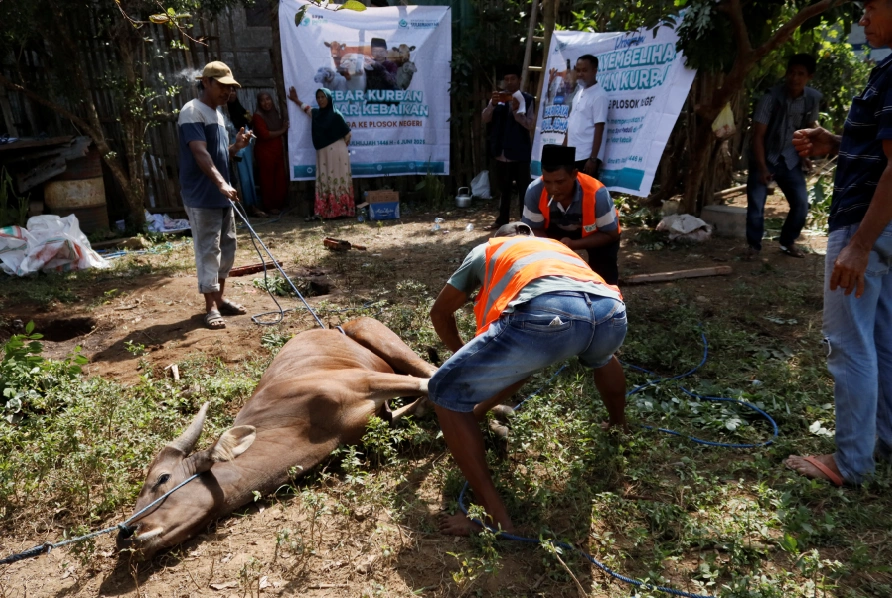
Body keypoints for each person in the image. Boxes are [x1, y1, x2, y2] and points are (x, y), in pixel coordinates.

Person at [428, 221, 628, 535]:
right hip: (611, 313)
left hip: (549, 314)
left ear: (497, 239)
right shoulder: (556, 247)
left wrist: (462, 359)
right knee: (602, 358)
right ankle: (618, 425)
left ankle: (496, 519)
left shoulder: (488, 249)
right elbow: (519, 367)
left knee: (444, 390)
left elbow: (440, 313)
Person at [784, 0, 892, 487]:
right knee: (883, 341)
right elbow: (878, 149)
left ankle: (850, 464)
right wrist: (838, 142)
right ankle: (885, 441)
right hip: (884, 227)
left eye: (872, 8)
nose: (863, 19)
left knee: (848, 343)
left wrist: (859, 244)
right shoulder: (885, 70)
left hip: (867, 225)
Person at [178, 61, 251, 330]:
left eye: (230, 88)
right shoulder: (191, 112)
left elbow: (220, 155)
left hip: (221, 194)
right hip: (201, 195)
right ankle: (210, 308)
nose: (227, 92)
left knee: (227, 249)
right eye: (222, 86)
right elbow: (200, 153)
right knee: (208, 250)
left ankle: (219, 299)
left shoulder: (218, 115)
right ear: (206, 82)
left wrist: (236, 147)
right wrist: (221, 183)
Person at [747, 54, 821, 259]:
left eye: (800, 74)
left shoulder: (812, 99)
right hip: (766, 157)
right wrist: (762, 168)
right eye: (791, 72)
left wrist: (805, 155)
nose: (794, 78)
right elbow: (758, 135)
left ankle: (787, 242)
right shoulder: (770, 98)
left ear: (809, 77)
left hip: (790, 159)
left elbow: (808, 130)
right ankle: (754, 246)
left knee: (801, 204)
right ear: (786, 73)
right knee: (756, 206)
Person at [522, 144, 622, 285]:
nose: (553, 189)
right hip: (554, 233)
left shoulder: (597, 194)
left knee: (604, 272)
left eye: (560, 182)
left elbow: (610, 234)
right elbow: (532, 229)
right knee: (543, 267)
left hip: (596, 234)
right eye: (547, 182)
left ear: (574, 174)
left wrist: (573, 244)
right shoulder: (535, 191)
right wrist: (551, 248)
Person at [287, 86, 355, 220]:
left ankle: (342, 210)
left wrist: (339, 145)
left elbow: (348, 134)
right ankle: (327, 211)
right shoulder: (317, 114)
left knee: (337, 177)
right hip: (323, 153)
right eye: (318, 97)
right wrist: (296, 100)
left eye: (323, 97)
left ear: (328, 98)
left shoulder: (336, 115)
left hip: (337, 152)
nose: (320, 100)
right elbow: (306, 108)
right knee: (325, 177)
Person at [482, 65, 536, 230]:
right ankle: (502, 220)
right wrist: (492, 104)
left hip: (520, 152)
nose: (509, 82)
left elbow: (530, 125)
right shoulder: (498, 100)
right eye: (506, 79)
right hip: (501, 152)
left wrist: (516, 113)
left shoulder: (527, 99)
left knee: (523, 190)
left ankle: (525, 222)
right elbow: (485, 118)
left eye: (513, 79)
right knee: (503, 189)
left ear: (519, 80)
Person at [564, 55, 608, 177]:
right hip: (572, 155)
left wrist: (593, 159)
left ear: (594, 71)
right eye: (578, 70)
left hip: (586, 157)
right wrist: (563, 150)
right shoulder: (579, 93)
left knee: (585, 193)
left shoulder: (599, 95)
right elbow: (571, 123)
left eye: (584, 70)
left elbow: (599, 128)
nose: (580, 74)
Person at [225, 90, 266, 218]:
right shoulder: (222, 112)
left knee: (247, 176)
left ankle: (251, 205)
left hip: (243, 145)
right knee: (233, 176)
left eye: (233, 90)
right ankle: (236, 207)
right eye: (229, 90)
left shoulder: (242, 110)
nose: (231, 93)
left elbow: (248, 124)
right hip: (228, 146)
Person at [251, 92, 289, 216]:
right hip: (265, 152)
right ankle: (270, 206)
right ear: (259, 103)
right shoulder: (258, 116)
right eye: (263, 100)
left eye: (268, 99)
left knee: (280, 179)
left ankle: (279, 205)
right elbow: (264, 135)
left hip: (277, 151)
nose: (266, 102)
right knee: (267, 180)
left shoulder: (275, 113)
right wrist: (282, 130)